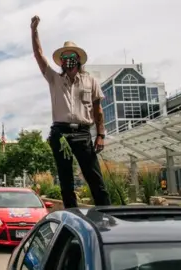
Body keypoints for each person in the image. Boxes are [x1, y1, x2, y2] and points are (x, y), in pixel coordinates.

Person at [30, 15, 111, 208]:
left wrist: (100, 135)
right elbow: (39, 55)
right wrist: (34, 31)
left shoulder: (90, 81)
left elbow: (98, 111)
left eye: (71, 57)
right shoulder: (54, 79)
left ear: (78, 59)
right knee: (66, 181)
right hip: (61, 133)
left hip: (83, 134)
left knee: (95, 179)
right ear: (61, 62)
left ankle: (108, 217)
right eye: (64, 58)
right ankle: (72, 217)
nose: (68, 61)